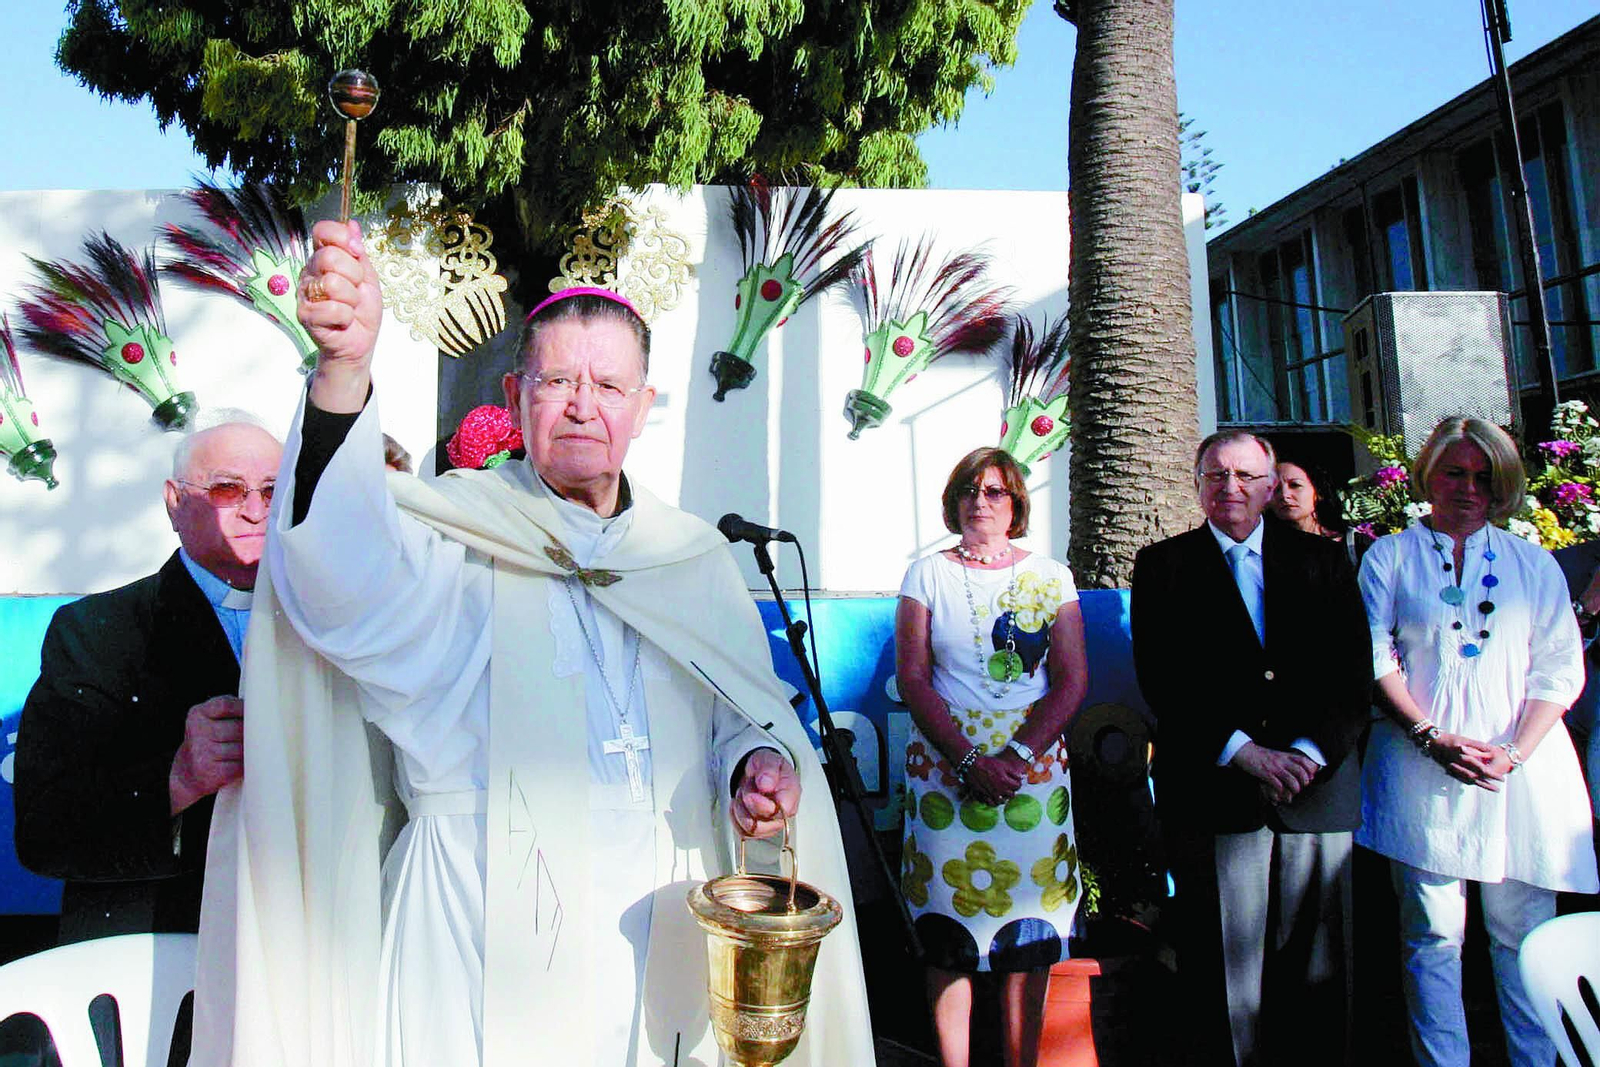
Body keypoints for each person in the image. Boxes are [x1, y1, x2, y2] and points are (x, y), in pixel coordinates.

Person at [190, 221, 872, 1067]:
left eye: (609, 385)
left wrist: (756, 771)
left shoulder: (691, 558)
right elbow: (337, 574)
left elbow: (741, 717)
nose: (584, 403)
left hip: (658, 942)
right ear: (515, 396)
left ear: (644, 406)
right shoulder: (452, 536)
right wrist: (344, 373)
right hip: (475, 938)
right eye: (557, 380)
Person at [1357, 416, 1599, 1067]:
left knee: (1523, 936)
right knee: (1432, 936)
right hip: (1420, 768)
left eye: (1484, 477)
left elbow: (1560, 668)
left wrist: (1514, 751)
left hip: (1519, 771)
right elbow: (1377, 659)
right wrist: (1431, 735)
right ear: (1428, 475)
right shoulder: (1390, 556)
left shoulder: (1532, 562)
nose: (1469, 488)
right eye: (1455, 472)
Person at [1130, 430, 1371, 1067]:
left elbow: (1352, 673)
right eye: (1215, 475)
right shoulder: (1163, 566)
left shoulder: (1323, 560)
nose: (1229, 487)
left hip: (1315, 795)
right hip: (1217, 795)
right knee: (1222, 981)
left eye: (1244, 476)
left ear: (1270, 486)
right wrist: (1245, 753)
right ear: (1198, 484)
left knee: (1318, 977)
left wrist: (1308, 754)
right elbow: (1164, 678)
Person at [14, 416, 281, 943]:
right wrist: (176, 779)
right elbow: (44, 830)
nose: (256, 509)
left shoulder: (332, 624)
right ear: (175, 502)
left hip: (308, 948)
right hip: (162, 955)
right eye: (229, 489)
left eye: (274, 490)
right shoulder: (99, 632)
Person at [895, 447, 1089, 1067]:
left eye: (997, 491)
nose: (982, 501)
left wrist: (1016, 755)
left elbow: (1071, 680)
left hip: (1032, 778)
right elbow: (915, 678)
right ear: (954, 501)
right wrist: (969, 759)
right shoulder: (926, 575)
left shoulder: (1053, 577)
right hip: (946, 774)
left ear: (1017, 506)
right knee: (946, 937)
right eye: (970, 490)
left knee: (1029, 943)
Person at [1269, 455, 1345, 539]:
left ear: (1317, 492)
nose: (1284, 495)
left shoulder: (1349, 545)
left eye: (1295, 485)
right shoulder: (1260, 547)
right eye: (1276, 488)